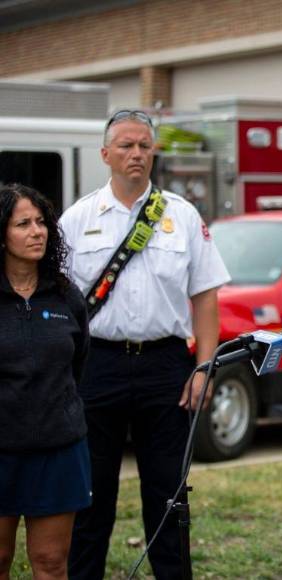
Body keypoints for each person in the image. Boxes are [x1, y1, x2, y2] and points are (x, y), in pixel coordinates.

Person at [60, 110, 230, 580]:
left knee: (168, 495)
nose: (136, 154)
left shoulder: (182, 214)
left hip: (166, 368)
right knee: (91, 495)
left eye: (144, 146)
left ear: (153, 152)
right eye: (126, 146)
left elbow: (206, 295)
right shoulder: (77, 219)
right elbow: (62, 302)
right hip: (99, 366)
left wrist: (205, 367)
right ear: (105, 154)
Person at [0, 184, 90, 580]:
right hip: (1, 450)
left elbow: (77, 366)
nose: (37, 231)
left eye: (41, 222)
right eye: (23, 224)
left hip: (58, 450)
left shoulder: (66, 297)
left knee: (52, 564)